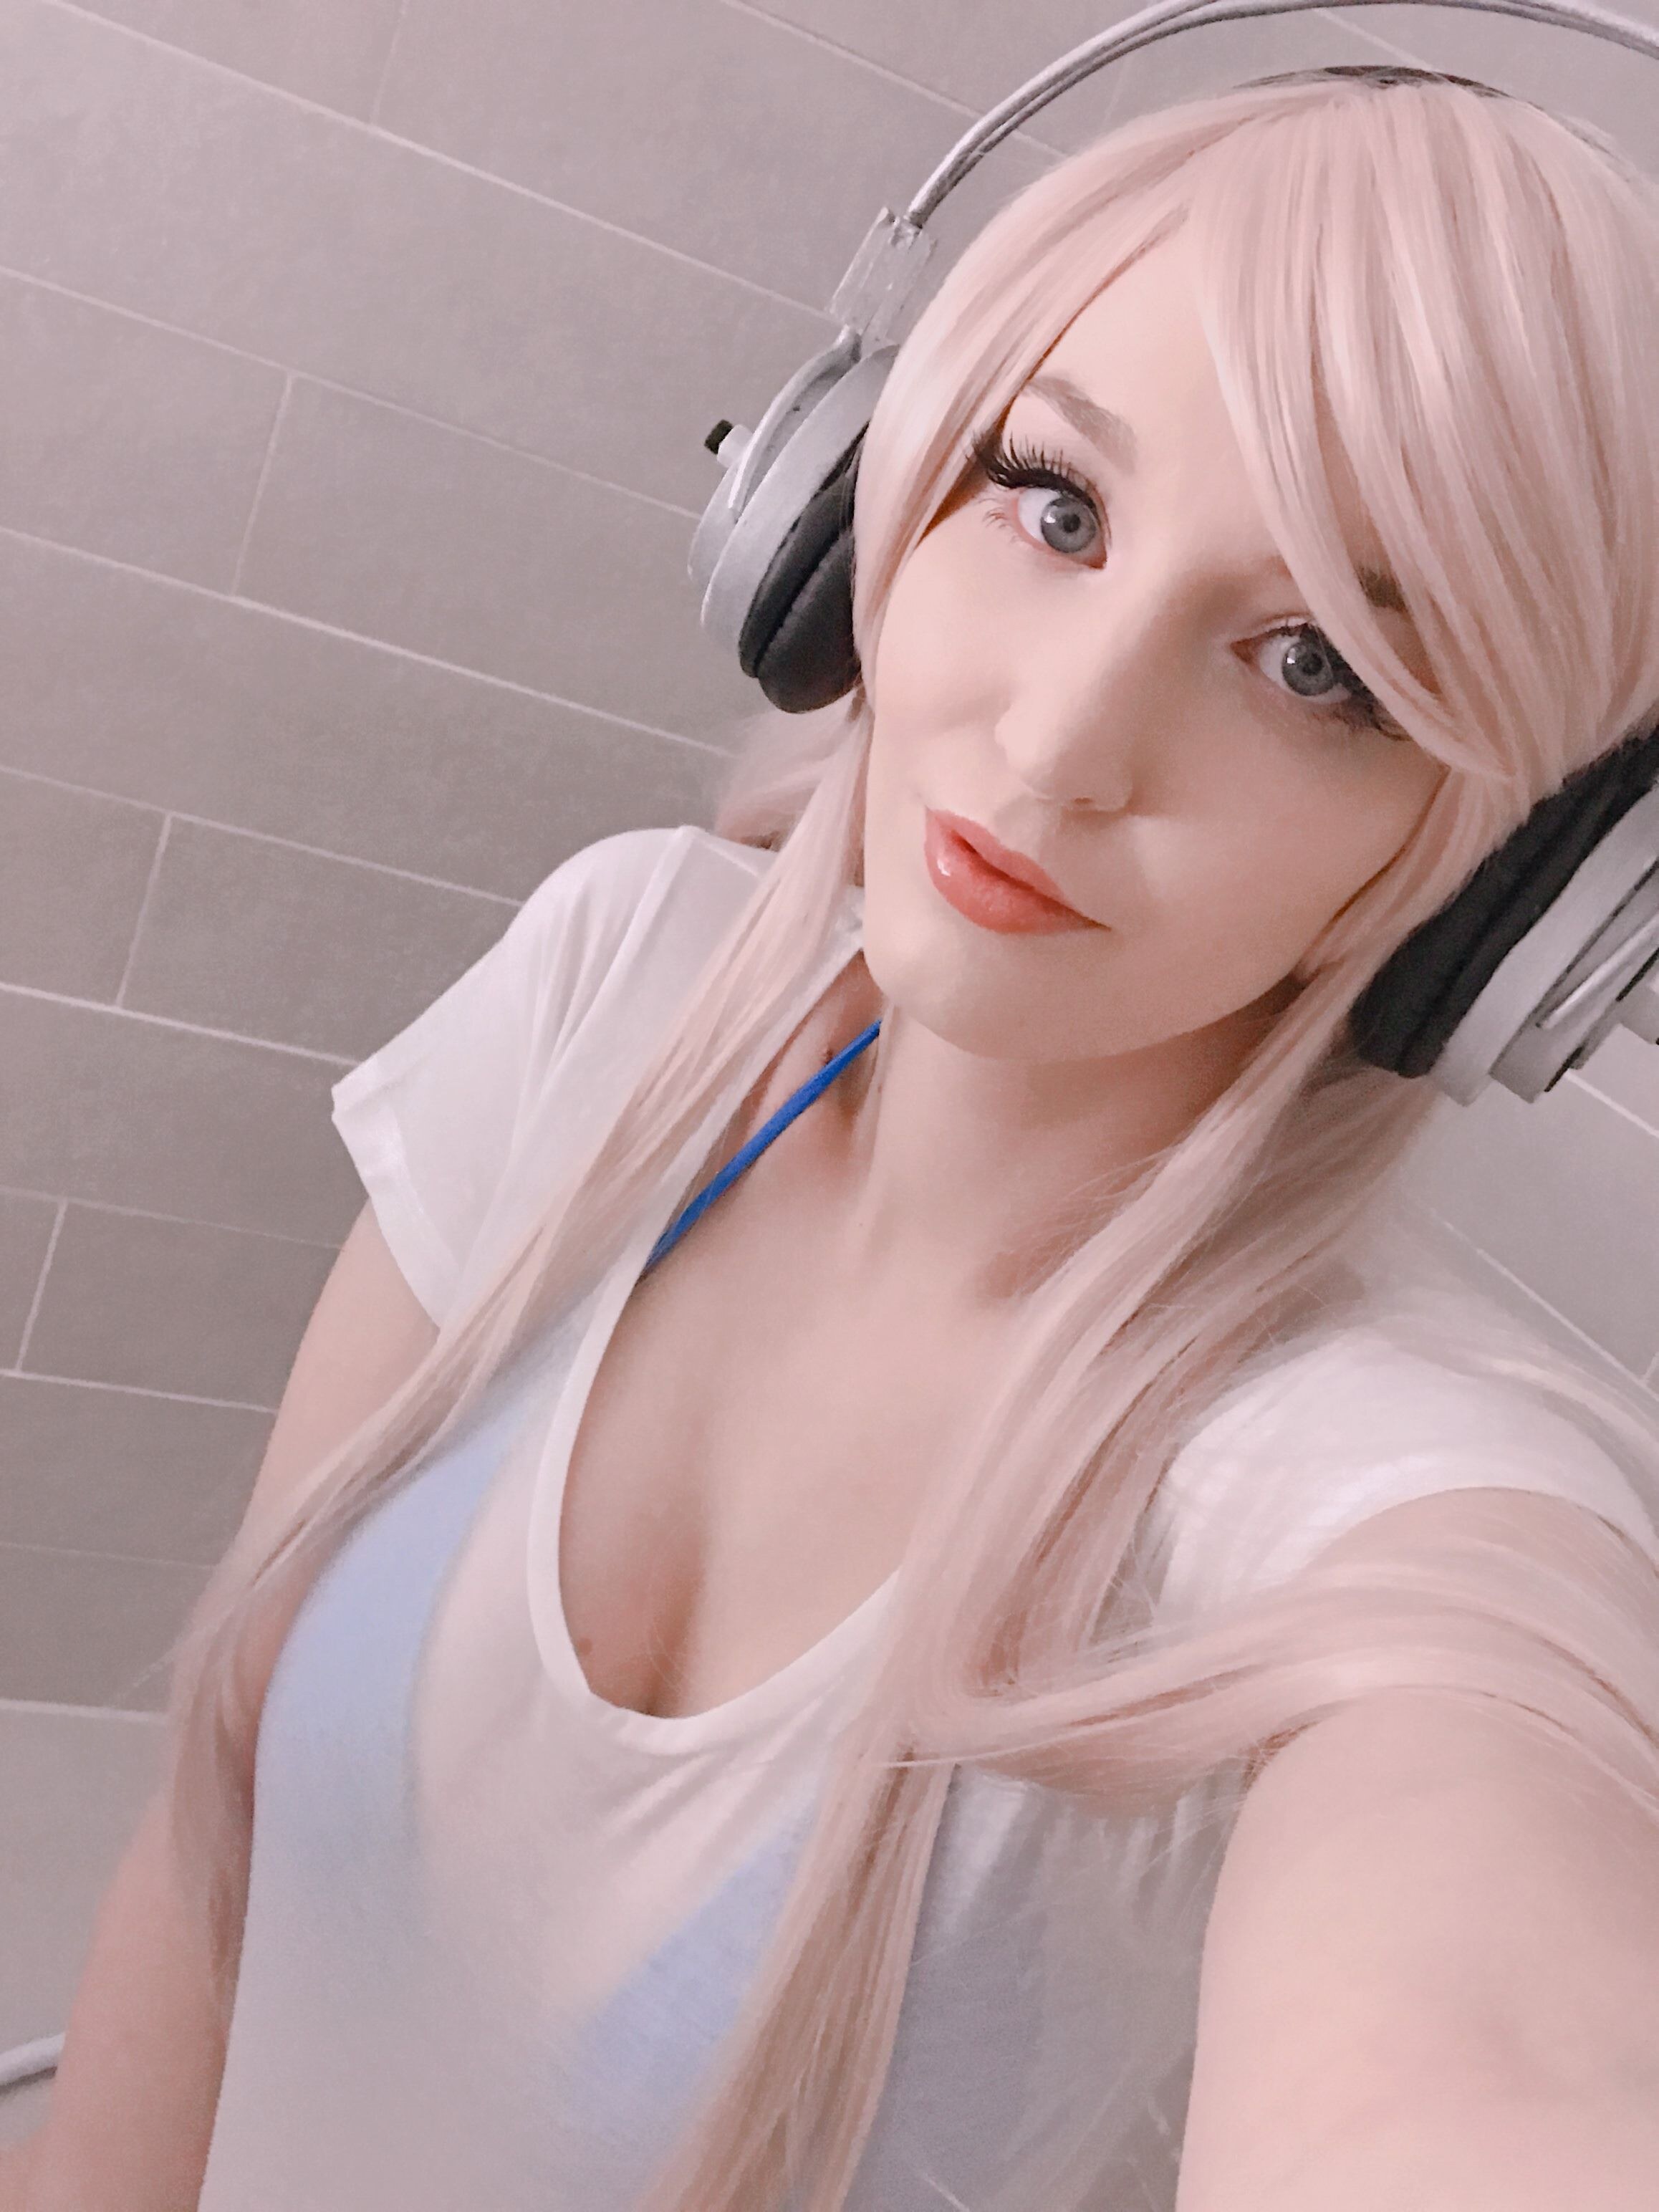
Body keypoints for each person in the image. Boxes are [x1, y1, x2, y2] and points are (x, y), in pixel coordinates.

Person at [16, 63, 1659, 2212]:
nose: (1059, 743)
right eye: (1053, 503)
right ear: (853, 499)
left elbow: (1485, 2002)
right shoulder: (612, 984)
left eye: (1314, 666)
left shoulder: (1357, 1485)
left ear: (1499, 884)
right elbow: (205, 1859)